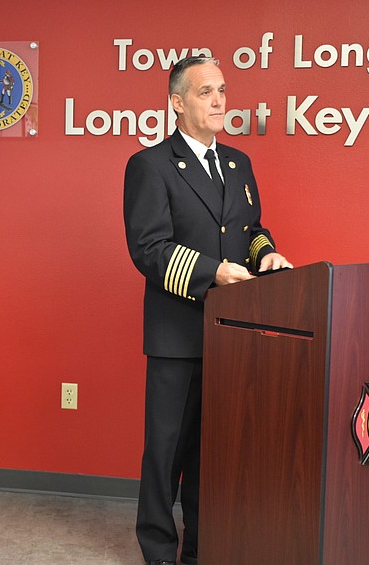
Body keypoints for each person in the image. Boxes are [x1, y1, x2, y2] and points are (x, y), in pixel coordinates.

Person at [123, 56, 292, 565]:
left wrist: (267, 255)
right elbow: (148, 249)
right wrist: (214, 272)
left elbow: (253, 228)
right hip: (177, 335)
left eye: (222, 90)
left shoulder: (239, 163)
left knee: (211, 452)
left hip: (230, 334)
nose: (219, 100)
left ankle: (200, 547)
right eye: (205, 92)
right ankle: (157, 550)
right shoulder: (150, 165)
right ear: (177, 103)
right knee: (166, 453)